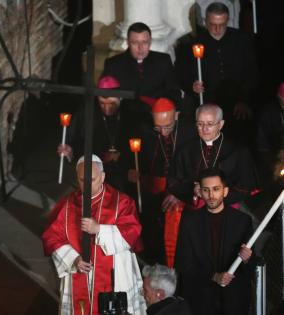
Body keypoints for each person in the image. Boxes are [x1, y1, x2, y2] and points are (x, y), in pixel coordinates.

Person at [42, 155, 146, 315]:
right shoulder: (67, 205)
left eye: (93, 179)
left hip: (115, 275)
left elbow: (131, 233)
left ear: (103, 177)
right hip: (79, 274)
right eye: (83, 180)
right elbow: (52, 237)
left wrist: (99, 230)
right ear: (77, 179)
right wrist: (73, 259)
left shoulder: (122, 202)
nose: (88, 185)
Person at [162, 103, 258, 267]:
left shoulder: (238, 150)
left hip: (228, 211)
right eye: (200, 124)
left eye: (210, 124)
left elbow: (246, 185)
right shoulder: (185, 150)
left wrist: (219, 197)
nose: (204, 129)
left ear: (221, 124)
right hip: (195, 213)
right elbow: (173, 182)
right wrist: (192, 191)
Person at [126, 98, 197, 266]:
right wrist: (133, 172)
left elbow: (197, 168)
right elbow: (138, 161)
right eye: (158, 128)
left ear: (177, 116)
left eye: (168, 127)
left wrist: (181, 192)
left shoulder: (190, 132)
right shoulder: (145, 130)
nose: (163, 133)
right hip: (153, 190)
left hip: (182, 192)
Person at [174, 2, 258, 143]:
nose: (217, 29)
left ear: (227, 20)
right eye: (213, 24)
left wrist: (244, 99)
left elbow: (252, 73)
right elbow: (180, 75)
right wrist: (192, 86)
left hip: (237, 103)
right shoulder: (190, 44)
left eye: (222, 24)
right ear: (205, 21)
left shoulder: (242, 40)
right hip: (206, 102)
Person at [175, 167, 254, 315]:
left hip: (234, 301)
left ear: (225, 191)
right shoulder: (189, 222)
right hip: (201, 300)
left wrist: (247, 258)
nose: (211, 195)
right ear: (200, 192)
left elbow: (252, 265)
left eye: (216, 189)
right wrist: (214, 276)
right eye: (206, 190)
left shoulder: (243, 221)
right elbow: (183, 263)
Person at [58, 76, 131, 191]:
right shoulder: (87, 112)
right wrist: (70, 150)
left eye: (111, 103)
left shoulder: (130, 111)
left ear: (120, 97)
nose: (107, 108)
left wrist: (121, 156)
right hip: (95, 169)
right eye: (102, 103)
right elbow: (74, 140)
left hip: (124, 170)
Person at [103, 22, 181, 126]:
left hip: (157, 120)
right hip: (125, 122)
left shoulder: (163, 60)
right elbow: (107, 98)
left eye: (144, 42)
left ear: (150, 42)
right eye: (135, 43)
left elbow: (174, 91)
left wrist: (171, 110)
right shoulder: (113, 64)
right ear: (128, 42)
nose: (140, 48)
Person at [256, 82, 284, 191]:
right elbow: (262, 145)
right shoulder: (268, 113)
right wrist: (274, 164)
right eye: (283, 104)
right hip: (277, 165)